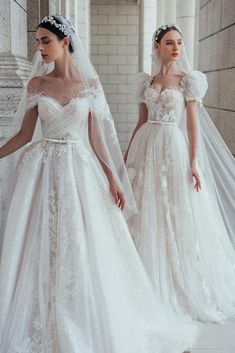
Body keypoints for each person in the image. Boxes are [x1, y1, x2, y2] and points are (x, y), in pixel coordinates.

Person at [0, 16, 197, 353]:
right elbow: (22, 134)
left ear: (65, 42)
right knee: (39, 238)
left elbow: (96, 137)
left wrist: (112, 178)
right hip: (41, 170)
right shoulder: (36, 85)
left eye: (45, 40)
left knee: (80, 239)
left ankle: (78, 310)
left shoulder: (90, 84)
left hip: (80, 170)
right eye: (37, 41)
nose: (40, 48)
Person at [125, 24, 235, 323]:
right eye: (170, 42)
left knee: (173, 204)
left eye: (180, 42)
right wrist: (127, 154)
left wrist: (193, 162)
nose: (176, 48)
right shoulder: (146, 81)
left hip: (172, 146)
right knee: (146, 205)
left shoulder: (189, 81)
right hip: (146, 145)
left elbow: (192, 124)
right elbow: (140, 121)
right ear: (157, 46)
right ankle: (143, 276)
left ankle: (176, 274)